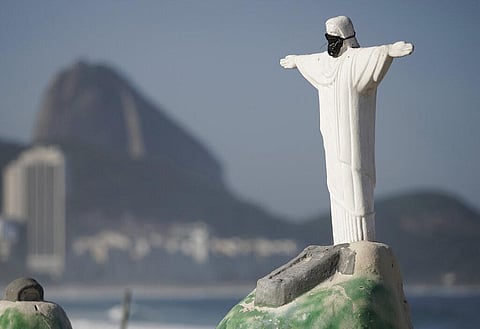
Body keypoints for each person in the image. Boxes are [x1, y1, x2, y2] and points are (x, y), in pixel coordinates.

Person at [280, 16, 413, 245]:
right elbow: (311, 61)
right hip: (332, 137)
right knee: (336, 185)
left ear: (345, 37)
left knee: (356, 184)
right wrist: (297, 61)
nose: (331, 43)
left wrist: (390, 51)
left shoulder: (355, 60)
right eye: (327, 38)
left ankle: (362, 244)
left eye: (334, 38)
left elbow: (375, 55)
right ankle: (342, 243)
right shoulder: (324, 64)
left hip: (353, 138)